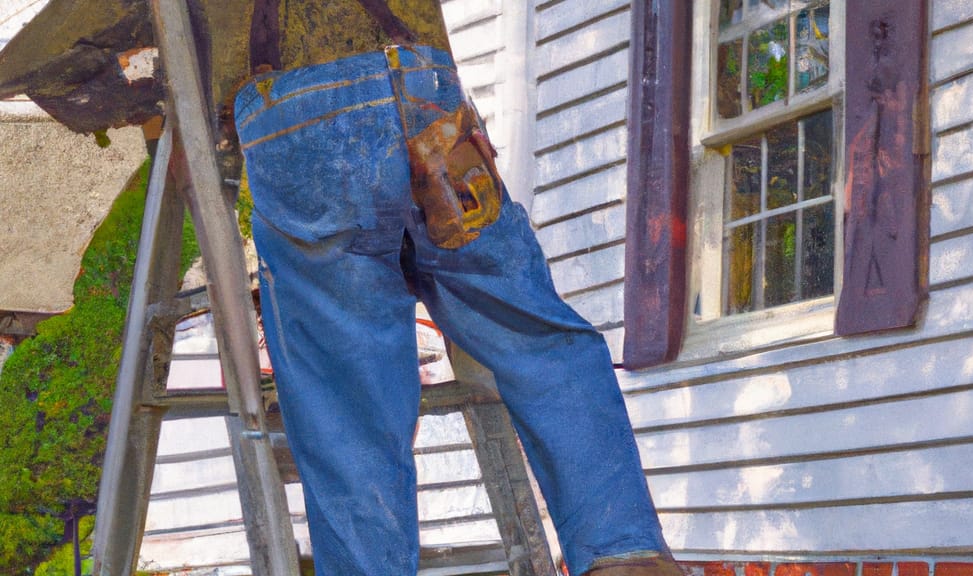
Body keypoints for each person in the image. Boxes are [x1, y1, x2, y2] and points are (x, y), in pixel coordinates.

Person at [0, 1, 687, 574]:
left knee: (348, 407)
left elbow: (65, 44)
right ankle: (624, 553)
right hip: (427, 107)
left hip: (296, 119)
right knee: (539, 340)